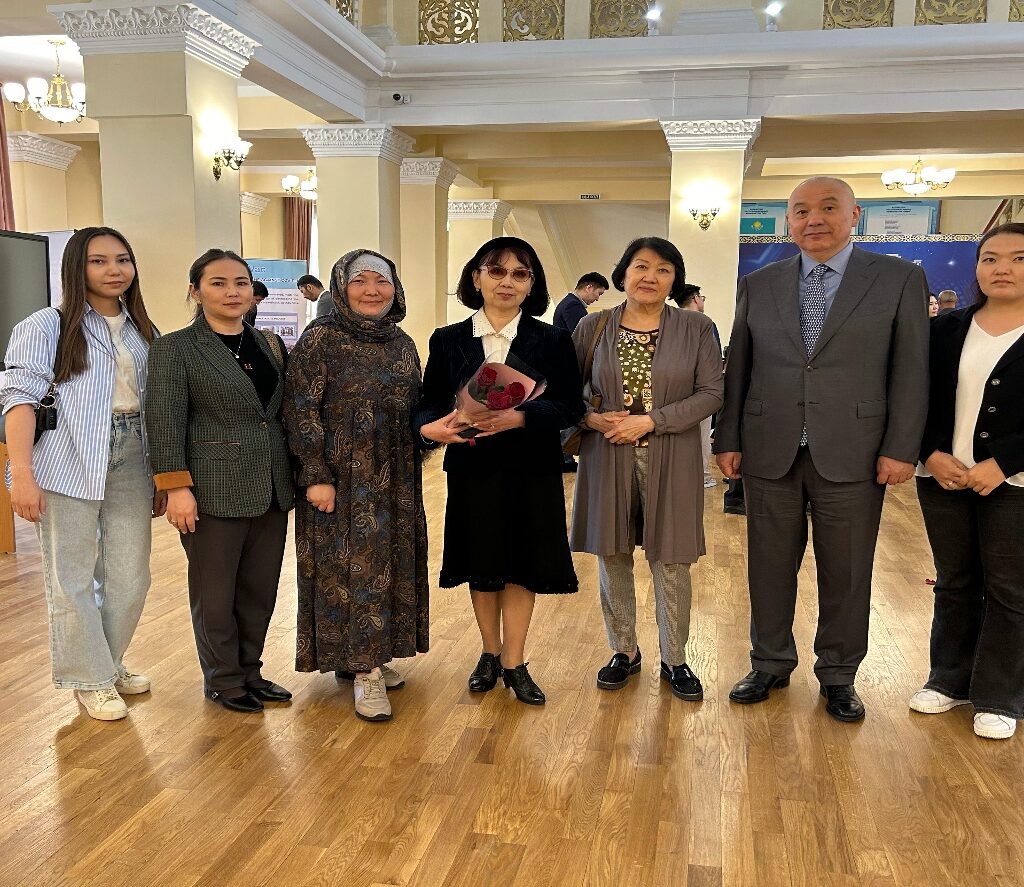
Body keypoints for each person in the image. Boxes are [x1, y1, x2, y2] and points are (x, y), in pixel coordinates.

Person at [714, 176, 929, 723]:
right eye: (801, 211)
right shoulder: (759, 283)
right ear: (788, 221)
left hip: (857, 451)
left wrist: (901, 447)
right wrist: (728, 437)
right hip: (769, 449)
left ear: (854, 215)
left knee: (847, 571)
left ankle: (838, 674)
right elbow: (740, 367)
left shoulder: (898, 278)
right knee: (768, 567)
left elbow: (910, 369)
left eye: (829, 208)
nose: (815, 219)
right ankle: (769, 662)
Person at [416, 236, 584, 706]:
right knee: (482, 562)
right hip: (472, 465)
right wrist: (431, 427)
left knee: (523, 565)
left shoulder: (551, 339)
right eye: (496, 271)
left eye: (520, 274)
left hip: (532, 467)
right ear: (476, 278)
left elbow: (570, 405)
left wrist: (520, 417)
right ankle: (489, 653)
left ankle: (515, 661)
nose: (507, 281)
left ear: (532, 284)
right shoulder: (448, 339)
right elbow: (429, 401)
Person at [1, 227, 160, 721]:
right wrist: (21, 473)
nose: (114, 270)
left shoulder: (141, 328)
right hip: (65, 456)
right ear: (76, 267)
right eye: (99, 261)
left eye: (123, 259)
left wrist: (162, 474)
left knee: (131, 578)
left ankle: (105, 663)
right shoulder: (45, 325)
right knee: (70, 577)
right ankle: (90, 678)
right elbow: (19, 400)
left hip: (133, 453)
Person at [570, 237, 723, 701]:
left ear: (675, 280)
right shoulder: (593, 326)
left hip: (672, 454)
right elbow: (566, 390)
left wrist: (651, 420)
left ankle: (675, 658)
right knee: (612, 554)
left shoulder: (697, 327)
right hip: (606, 453)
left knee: (672, 558)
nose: (650, 277)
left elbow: (712, 393)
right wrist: (591, 419)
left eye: (663, 269)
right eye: (640, 266)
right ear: (623, 274)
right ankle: (623, 650)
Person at [146, 249, 294, 714]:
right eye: (218, 283)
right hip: (211, 489)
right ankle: (223, 679)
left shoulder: (270, 343)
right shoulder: (175, 348)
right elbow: (164, 421)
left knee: (259, 590)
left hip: (271, 485)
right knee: (215, 593)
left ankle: (250, 671)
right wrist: (175, 488)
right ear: (195, 291)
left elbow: (278, 415)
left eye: (241, 283)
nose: (232, 292)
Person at [283, 249, 429, 722]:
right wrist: (316, 475)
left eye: (381, 281)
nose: (372, 290)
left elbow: (415, 408)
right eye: (360, 280)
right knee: (348, 573)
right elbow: (300, 410)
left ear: (395, 288)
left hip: (394, 479)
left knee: (388, 568)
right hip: (340, 481)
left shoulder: (402, 343)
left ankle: (372, 654)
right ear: (341, 287)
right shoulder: (320, 339)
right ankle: (364, 671)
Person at [910, 222, 1024, 740]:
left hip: (1015, 483)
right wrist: (929, 452)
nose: (1003, 268)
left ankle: (1001, 695)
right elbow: (916, 397)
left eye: (1019, 258)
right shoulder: (945, 329)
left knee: (1009, 588)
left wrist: (1004, 462)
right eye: (991, 258)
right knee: (954, 581)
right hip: (944, 477)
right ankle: (948, 679)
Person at [673, 282, 721, 489]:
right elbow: (714, 358)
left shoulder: (670, 321)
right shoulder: (704, 323)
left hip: (674, 388)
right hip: (700, 389)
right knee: (701, 434)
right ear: (696, 298)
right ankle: (703, 476)